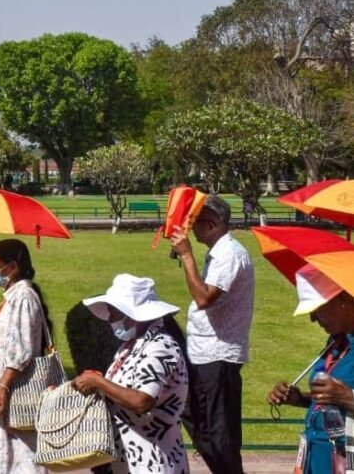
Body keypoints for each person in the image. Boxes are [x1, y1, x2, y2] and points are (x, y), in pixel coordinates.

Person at [170, 194, 254, 474]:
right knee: (195, 418)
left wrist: (186, 255)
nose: (192, 228)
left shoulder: (229, 254)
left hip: (219, 356)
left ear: (213, 223)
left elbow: (205, 298)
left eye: (195, 222)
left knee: (220, 433)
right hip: (205, 354)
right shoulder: (220, 253)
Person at [72, 274, 188, 473]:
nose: (109, 318)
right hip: (128, 460)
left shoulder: (160, 348)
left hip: (153, 461)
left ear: (132, 314)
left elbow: (142, 401)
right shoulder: (130, 347)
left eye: (114, 312)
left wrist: (98, 382)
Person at [0, 238, 52, 474]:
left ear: (12, 267)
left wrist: (2, 387)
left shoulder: (24, 297)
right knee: (3, 448)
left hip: (14, 390)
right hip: (3, 387)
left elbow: (22, 348)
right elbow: (11, 335)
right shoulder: (13, 296)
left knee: (17, 452)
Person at [267, 264, 354, 473]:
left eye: (317, 310)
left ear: (342, 301)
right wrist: (300, 399)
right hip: (317, 459)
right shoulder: (336, 343)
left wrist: (348, 397)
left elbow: (343, 397)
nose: (312, 318)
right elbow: (331, 401)